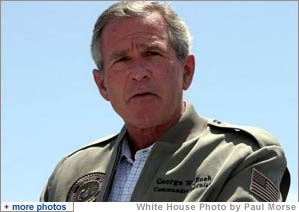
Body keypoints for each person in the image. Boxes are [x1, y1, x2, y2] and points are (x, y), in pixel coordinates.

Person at [40, 1, 290, 202]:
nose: (138, 72)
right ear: (102, 85)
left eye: (152, 53)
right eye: (122, 59)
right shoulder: (70, 172)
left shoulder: (243, 155)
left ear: (187, 71)